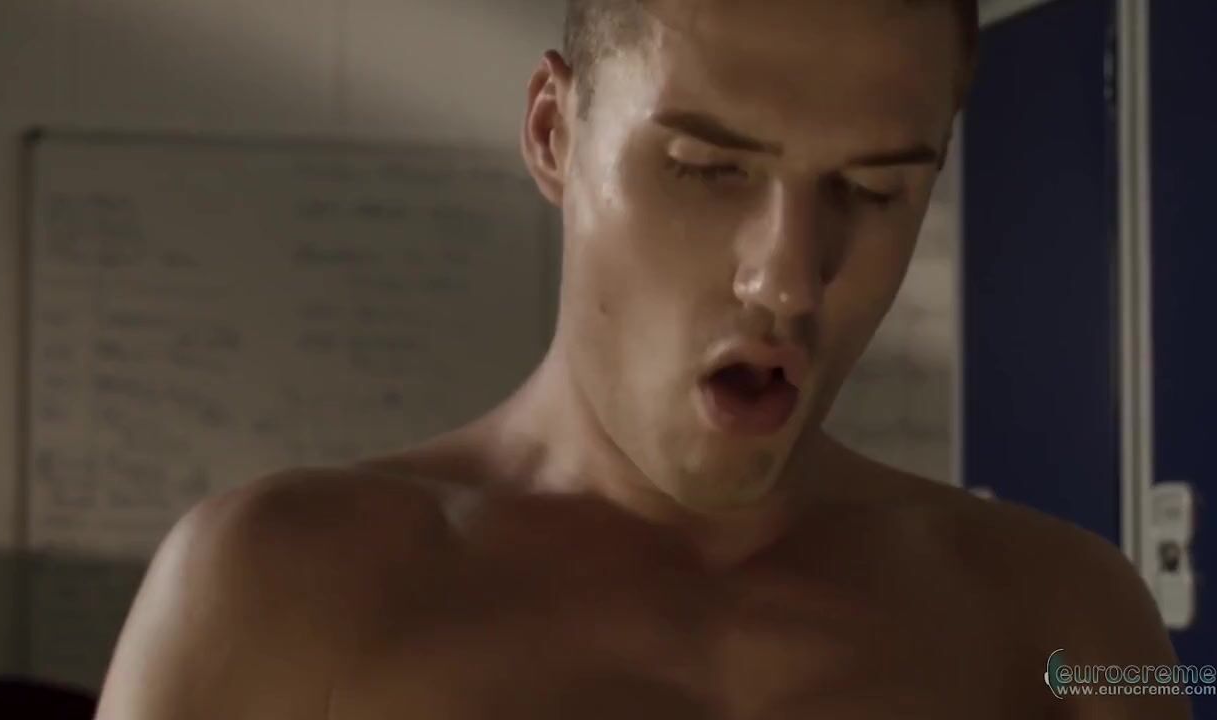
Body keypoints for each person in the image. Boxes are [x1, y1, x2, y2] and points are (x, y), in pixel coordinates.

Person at [95, 1, 1190, 718]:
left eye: (871, 190)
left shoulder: (1078, 623)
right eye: (708, 169)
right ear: (553, 133)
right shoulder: (267, 593)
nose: (786, 280)